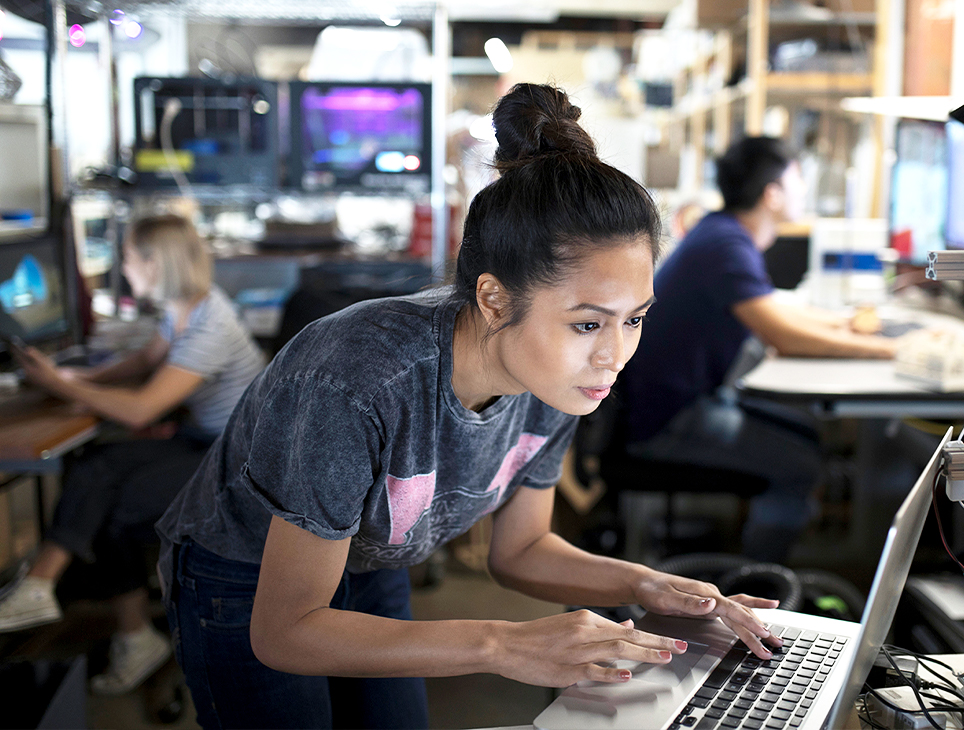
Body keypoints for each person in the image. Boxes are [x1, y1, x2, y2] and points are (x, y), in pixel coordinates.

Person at [154, 83, 784, 730]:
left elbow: (521, 548)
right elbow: (285, 631)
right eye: (590, 324)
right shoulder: (358, 379)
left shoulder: (556, 378)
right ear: (493, 300)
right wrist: (504, 644)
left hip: (369, 560)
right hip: (245, 578)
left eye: (635, 320)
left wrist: (643, 585)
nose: (615, 356)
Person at [0, 215, 265, 695]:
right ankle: (42, 586)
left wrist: (56, 383)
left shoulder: (211, 324)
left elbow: (144, 409)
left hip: (236, 462)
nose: (124, 268)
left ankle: (130, 633)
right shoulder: (184, 306)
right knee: (93, 467)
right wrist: (84, 380)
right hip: (202, 440)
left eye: (127, 258)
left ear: (152, 261)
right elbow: (146, 360)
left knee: (114, 505)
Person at [622, 136, 897, 562]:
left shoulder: (722, 233)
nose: (804, 190)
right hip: (666, 419)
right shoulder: (726, 245)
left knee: (806, 435)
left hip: (674, 403)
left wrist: (847, 325)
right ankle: (763, 588)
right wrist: (889, 352)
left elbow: (775, 311)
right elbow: (783, 335)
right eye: (798, 179)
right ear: (772, 194)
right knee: (800, 463)